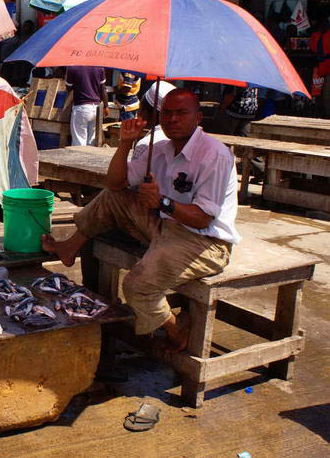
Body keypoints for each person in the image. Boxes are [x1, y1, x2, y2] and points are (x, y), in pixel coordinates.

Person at [41, 89, 239, 351]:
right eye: (167, 113)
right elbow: (115, 183)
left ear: (198, 117)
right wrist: (125, 144)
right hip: (165, 225)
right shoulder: (159, 148)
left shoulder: (214, 155)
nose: (172, 119)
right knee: (113, 197)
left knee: (136, 286)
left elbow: (202, 219)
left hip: (205, 243)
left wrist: (162, 203)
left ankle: (174, 328)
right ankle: (71, 246)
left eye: (181, 113)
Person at [130, 80, 176, 161]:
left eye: (139, 108)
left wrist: (126, 143)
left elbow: (129, 173)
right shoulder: (179, 139)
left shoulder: (145, 145)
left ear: (144, 113)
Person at [65, 65, 108, 146]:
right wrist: (106, 106)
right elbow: (103, 89)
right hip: (96, 109)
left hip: (81, 108)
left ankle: (78, 159)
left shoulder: (72, 67)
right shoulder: (99, 68)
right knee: (92, 141)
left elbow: (69, 87)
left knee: (79, 141)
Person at [309, 18, 330, 117]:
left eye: (325, 24)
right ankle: (319, 112)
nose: (323, 26)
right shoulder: (315, 35)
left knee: (326, 93)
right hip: (318, 68)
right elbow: (313, 48)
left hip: (328, 68)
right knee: (317, 92)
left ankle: (327, 113)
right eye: (322, 25)